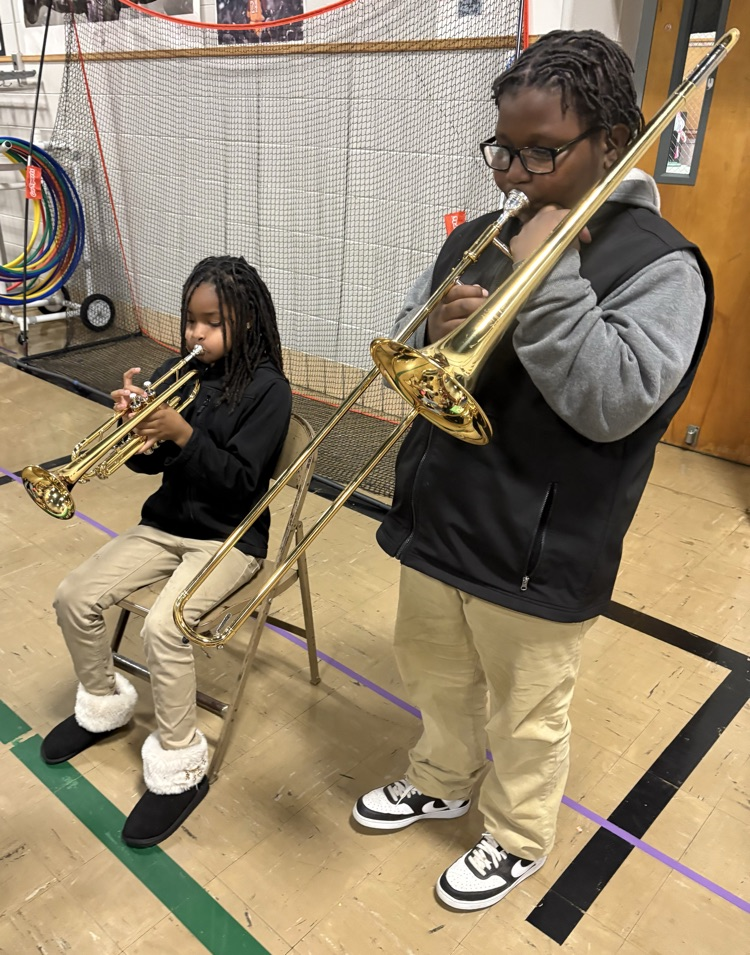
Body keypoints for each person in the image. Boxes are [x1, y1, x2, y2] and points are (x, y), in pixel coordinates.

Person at [352, 30, 713, 911]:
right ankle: (439, 774)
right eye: (503, 150)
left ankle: (516, 834)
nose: (513, 174)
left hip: (542, 546)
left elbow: (615, 399)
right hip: (444, 512)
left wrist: (546, 279)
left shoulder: (662, 264)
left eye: (541, 152)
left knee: (526, 711)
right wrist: (437, 329)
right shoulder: (484, 232)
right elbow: (411, 336)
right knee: (434, 671)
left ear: (611, 142)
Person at [41, 256, 292, 848]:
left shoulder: (268, 391)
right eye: (190, 321)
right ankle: (102, 704)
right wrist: (135, 432)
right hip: (166, 524)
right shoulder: (178, 371)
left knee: (165, 628)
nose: (196, 335)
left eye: (212, 323)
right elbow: (150, 465)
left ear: (248, 321)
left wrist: (182, 433)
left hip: (230, 536)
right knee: (74, 595)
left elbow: (239, 484)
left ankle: (180, 768)